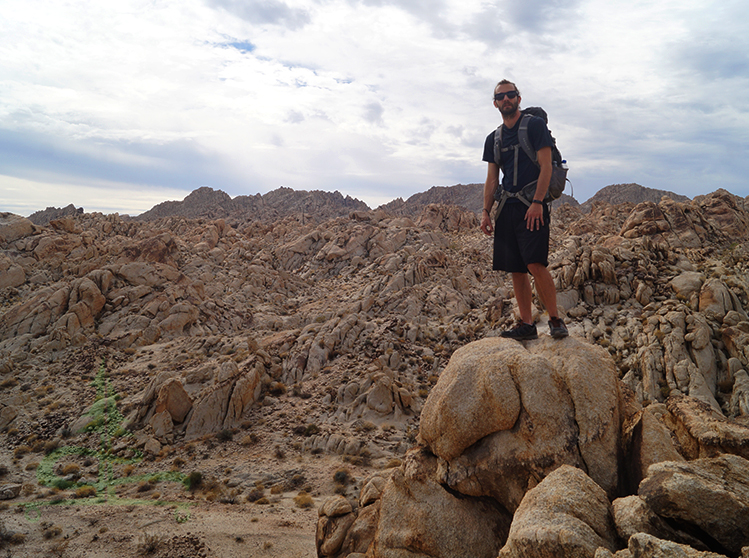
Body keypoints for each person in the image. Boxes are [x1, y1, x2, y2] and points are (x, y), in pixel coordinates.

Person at [480, 79, 568, 340]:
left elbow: (546, 166)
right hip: (508, 207)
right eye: (501, 97)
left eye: (510, 95)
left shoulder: (535, 126)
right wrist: (486, 211)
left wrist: (538, 202)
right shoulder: (493, 139)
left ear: (518, 98)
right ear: (495, 103)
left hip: (533, 205)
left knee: (535, 263)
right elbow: (492, 178)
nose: (506, 100)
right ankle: (527, 324)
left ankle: (554, 319)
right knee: (516, 268)